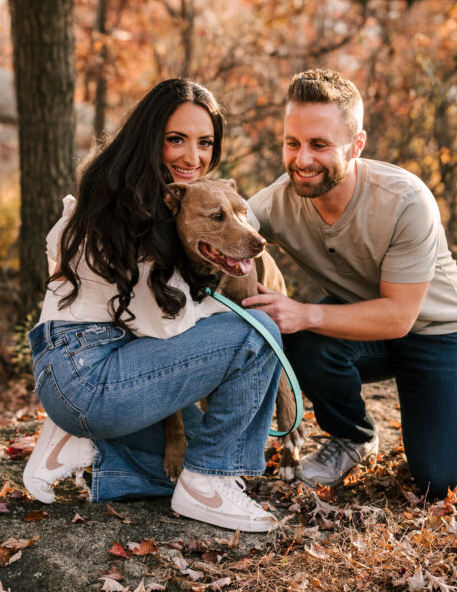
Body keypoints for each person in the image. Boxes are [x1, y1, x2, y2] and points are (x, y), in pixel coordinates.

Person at [22, 79, 283, 532]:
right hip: (90, 372)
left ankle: (86, 446)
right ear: (149, 137)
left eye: (205, 143)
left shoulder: (131, 191)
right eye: (176, 139)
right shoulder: (133, 209)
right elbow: (167, 328)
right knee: (257, 332)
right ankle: (205, 488)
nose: (193, 157)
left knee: (192, 453)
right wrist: (235, 313)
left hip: (74, 364)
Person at [242, 69, 457, 496]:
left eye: (320, 145)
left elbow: (399, 317)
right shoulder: (279, 201)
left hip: (438, 331)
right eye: (292, 143)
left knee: (440, 482)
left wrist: (305, 313)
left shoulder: (405, 200)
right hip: (360, 328)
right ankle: (353, 438)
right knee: (303, 340)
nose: (303, 159)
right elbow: (225, 229)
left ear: (357, 144)